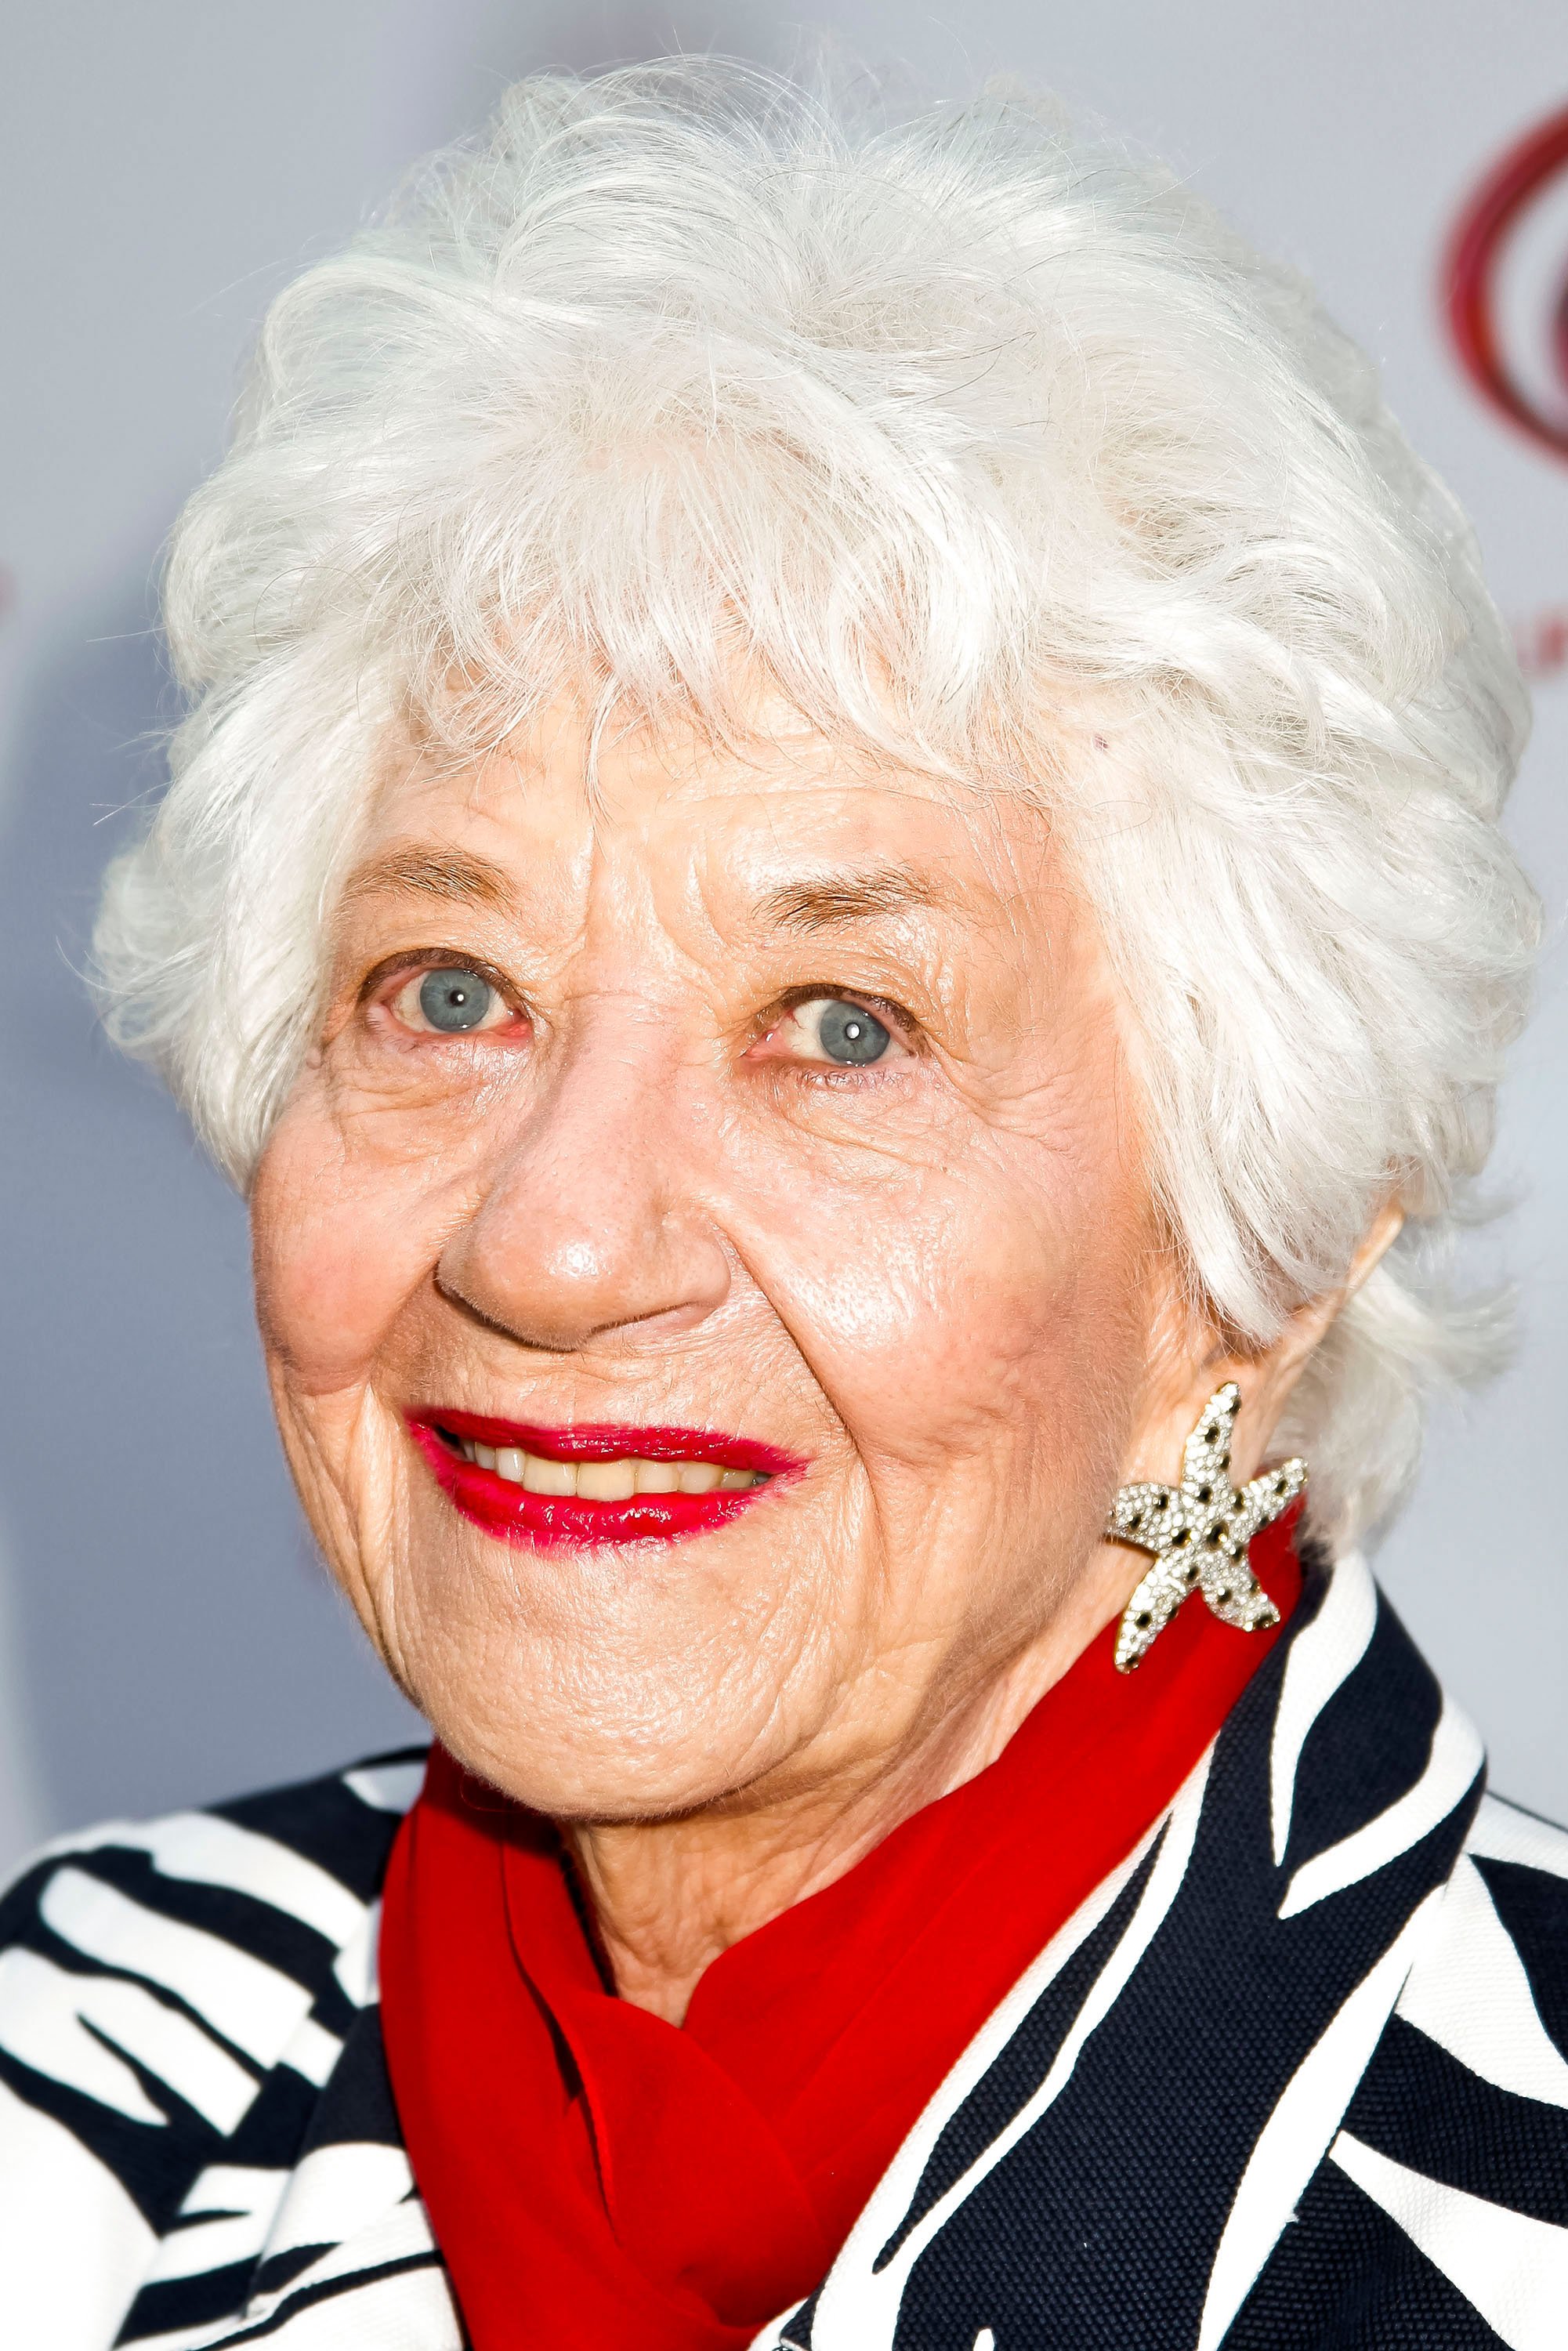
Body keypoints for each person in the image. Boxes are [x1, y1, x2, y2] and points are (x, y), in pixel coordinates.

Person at [1, 60, 1562, 2351]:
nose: (547, 1243)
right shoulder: (75, 2067)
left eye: (842, 1025)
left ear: (1253, 1266)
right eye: (449, 990)